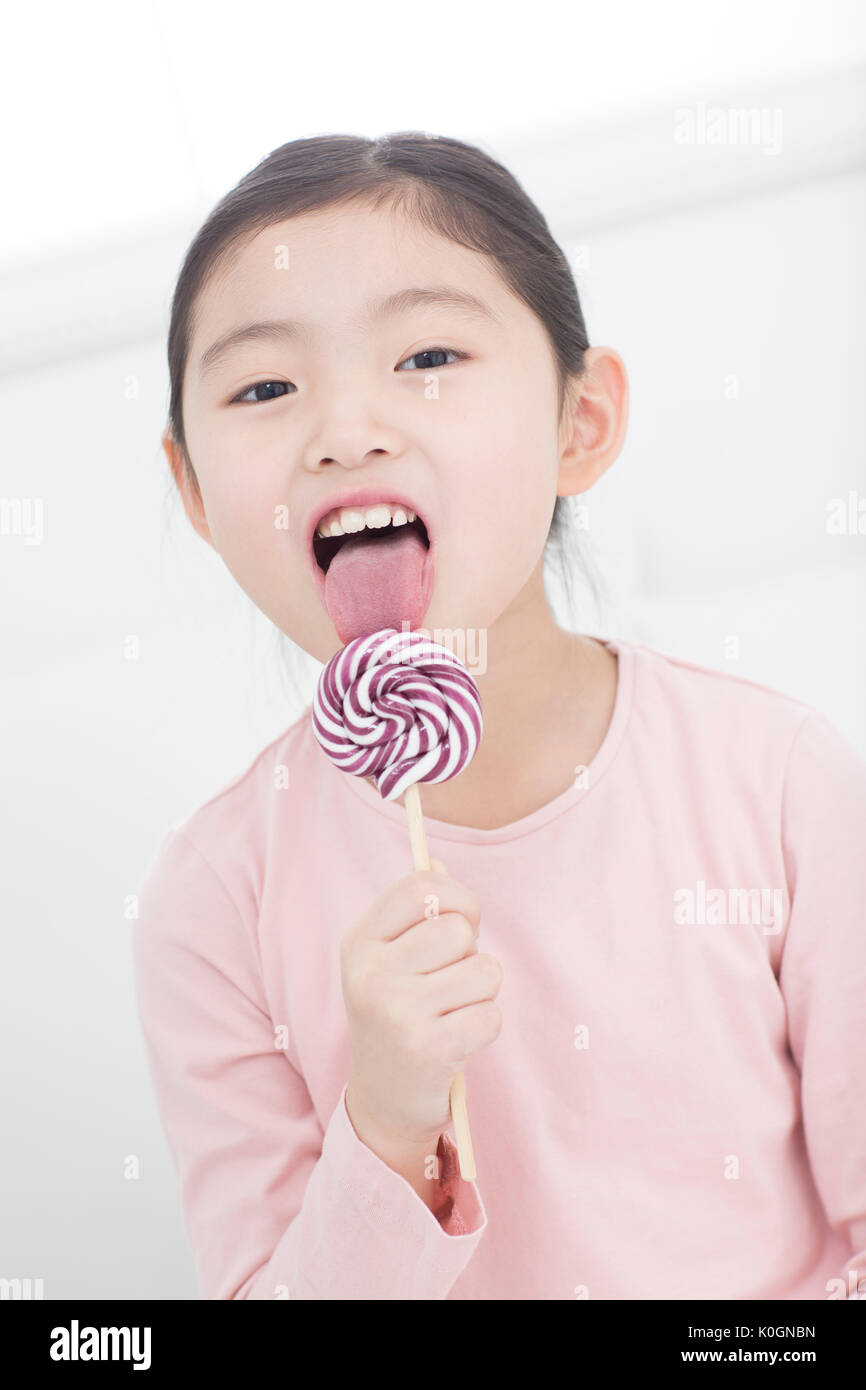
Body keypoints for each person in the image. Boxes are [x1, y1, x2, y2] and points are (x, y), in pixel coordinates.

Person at [132, 132, 866, 1301]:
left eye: (426, 353)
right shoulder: (212, 904)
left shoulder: (775, 780)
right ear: (196, 497)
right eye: (265, 386)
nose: (345, 428)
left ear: (579, 425)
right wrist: (380, 1121)